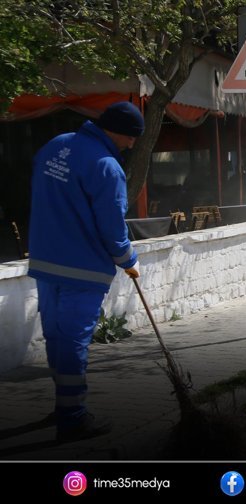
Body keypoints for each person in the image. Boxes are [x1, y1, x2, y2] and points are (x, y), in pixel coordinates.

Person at [28, 101, 144, 442]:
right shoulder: (107, 166)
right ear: (117, 132)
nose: (132, 144)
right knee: (74, 340)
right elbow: (112, 225)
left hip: (46, 261)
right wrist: (128, 258)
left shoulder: (54, 147)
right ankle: (73, 418)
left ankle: (64, 406)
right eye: (131, 137)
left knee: (56, 337)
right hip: (83, 268)